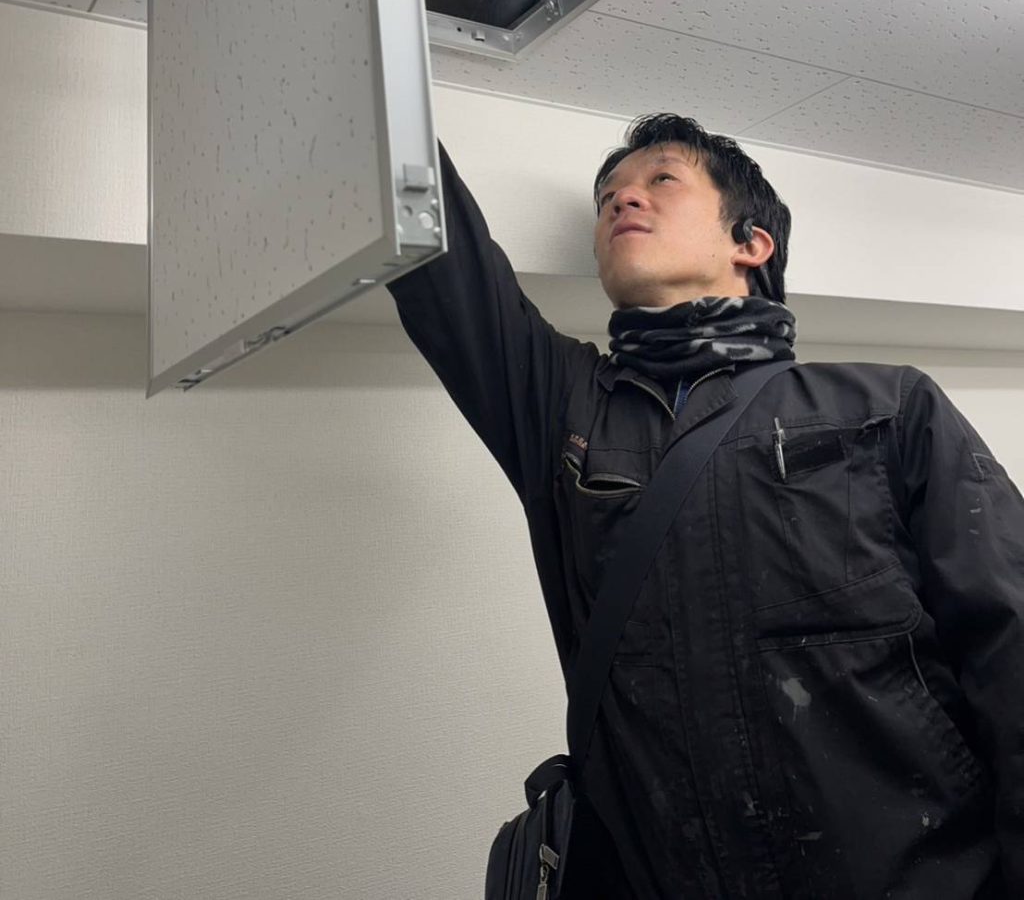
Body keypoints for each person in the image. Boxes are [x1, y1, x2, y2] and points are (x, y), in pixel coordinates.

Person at [387, 112, 1024, 899]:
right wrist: (380, 74)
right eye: (608, 198)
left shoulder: (886, 407)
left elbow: (1011, 648)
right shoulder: (565, 412)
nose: (623, 201)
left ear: (751, 243)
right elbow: (440, 266)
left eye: (661, 180)